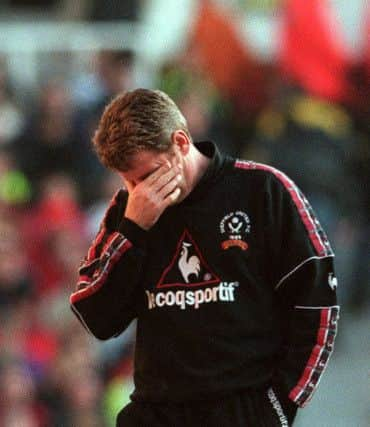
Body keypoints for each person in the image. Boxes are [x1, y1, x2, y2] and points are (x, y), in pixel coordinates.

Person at [70, 89, 339, 426]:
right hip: (157, 410)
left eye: (149, 174)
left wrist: (282, 403)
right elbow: (96, 318)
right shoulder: (128, 210)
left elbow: (319, 304)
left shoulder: (264, 190)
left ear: (181, 143)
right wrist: (133, 231)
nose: (141, 190)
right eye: (129, 181)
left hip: (243, 410)